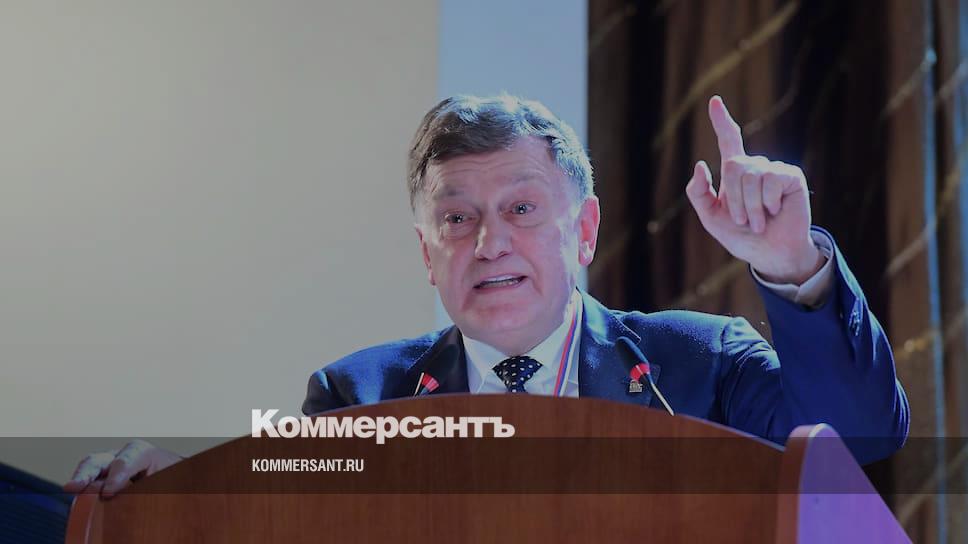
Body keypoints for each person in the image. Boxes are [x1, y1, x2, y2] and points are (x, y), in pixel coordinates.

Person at [65, 94, 909, 498]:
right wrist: (186, 492)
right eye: (457, 218)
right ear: (426, 253)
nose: (489, 242)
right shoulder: (358, 396)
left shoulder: (700, 363)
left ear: (584, 232)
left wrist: (793, 266)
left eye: (521, 210)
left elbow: (863, 437)